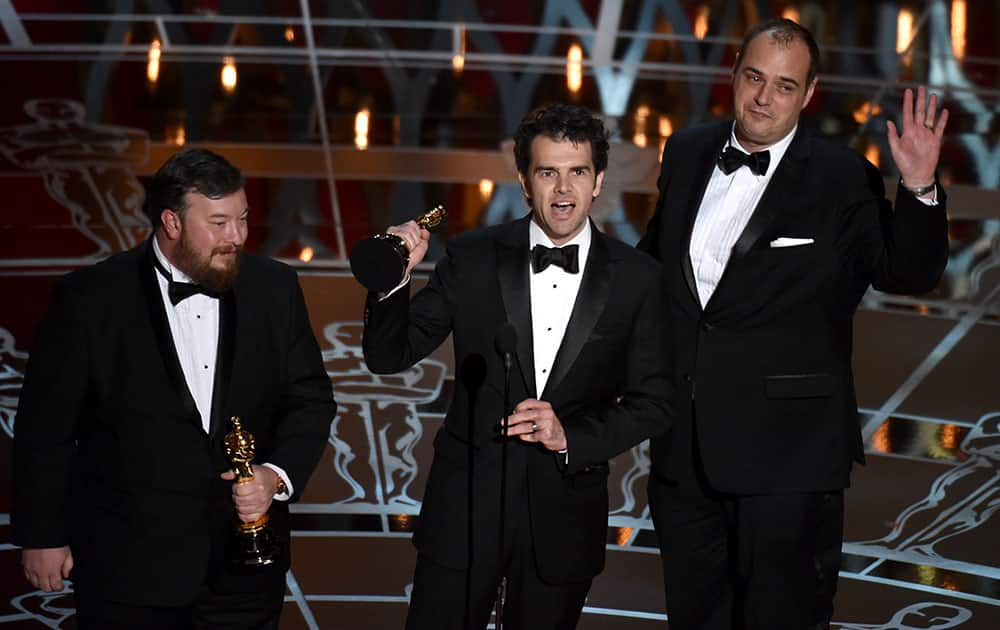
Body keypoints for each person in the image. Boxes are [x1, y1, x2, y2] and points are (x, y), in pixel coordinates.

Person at [638, 18, 949, 630]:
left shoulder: (842, 176)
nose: (764, 98)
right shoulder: (689, 149)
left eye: (784, 86)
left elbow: (906, 273)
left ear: (809, 94)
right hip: (685, 453)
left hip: (788, 458)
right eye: (754, 77)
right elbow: (656, 269)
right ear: (733, 73)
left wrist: (917, 184)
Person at [363, 104, 672, 629]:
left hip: (564, 518)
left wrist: (568, 435)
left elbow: (656, 400)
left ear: (598, 181)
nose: (563, 189)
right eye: (547, 172)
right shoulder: (472, 256)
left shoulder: (638, 278)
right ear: (525, 182)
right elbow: (389, 355)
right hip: (465, 509)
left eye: (577, 172)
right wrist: (394, 281)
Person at [12, 148, 336, 629]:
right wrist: (42, 535)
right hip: (127, 569)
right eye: (220, 223)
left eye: (243, 220)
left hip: (244, 570)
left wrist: (275, 474)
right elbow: (46, 426)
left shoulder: (275, 288)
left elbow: (310, 399)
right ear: (171, 222)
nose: (237, 237)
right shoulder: (90, 299)